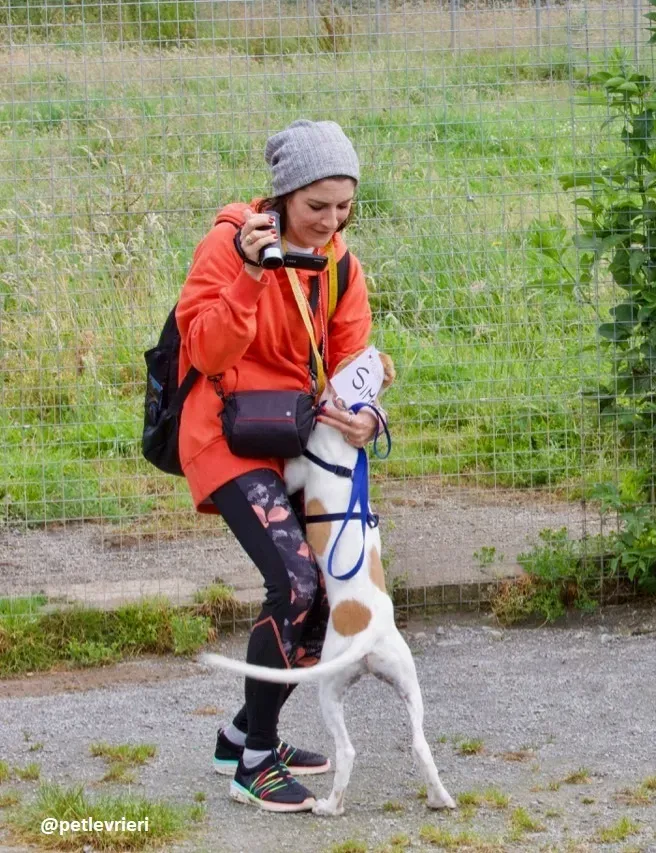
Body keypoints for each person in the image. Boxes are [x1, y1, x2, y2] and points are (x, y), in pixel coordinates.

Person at [176, 119, 383, 813]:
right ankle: (256, 761)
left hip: (297, 439)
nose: (330, 222)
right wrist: (249, 276)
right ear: (284, 194)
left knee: (325, 593)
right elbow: (204, 351)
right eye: (316, 206)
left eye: (343, 206)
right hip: (224, 436)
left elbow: (356, 364)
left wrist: (368, 414)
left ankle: (239, 735)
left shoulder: (342, 266)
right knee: (293, 580)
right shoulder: (228, 243)